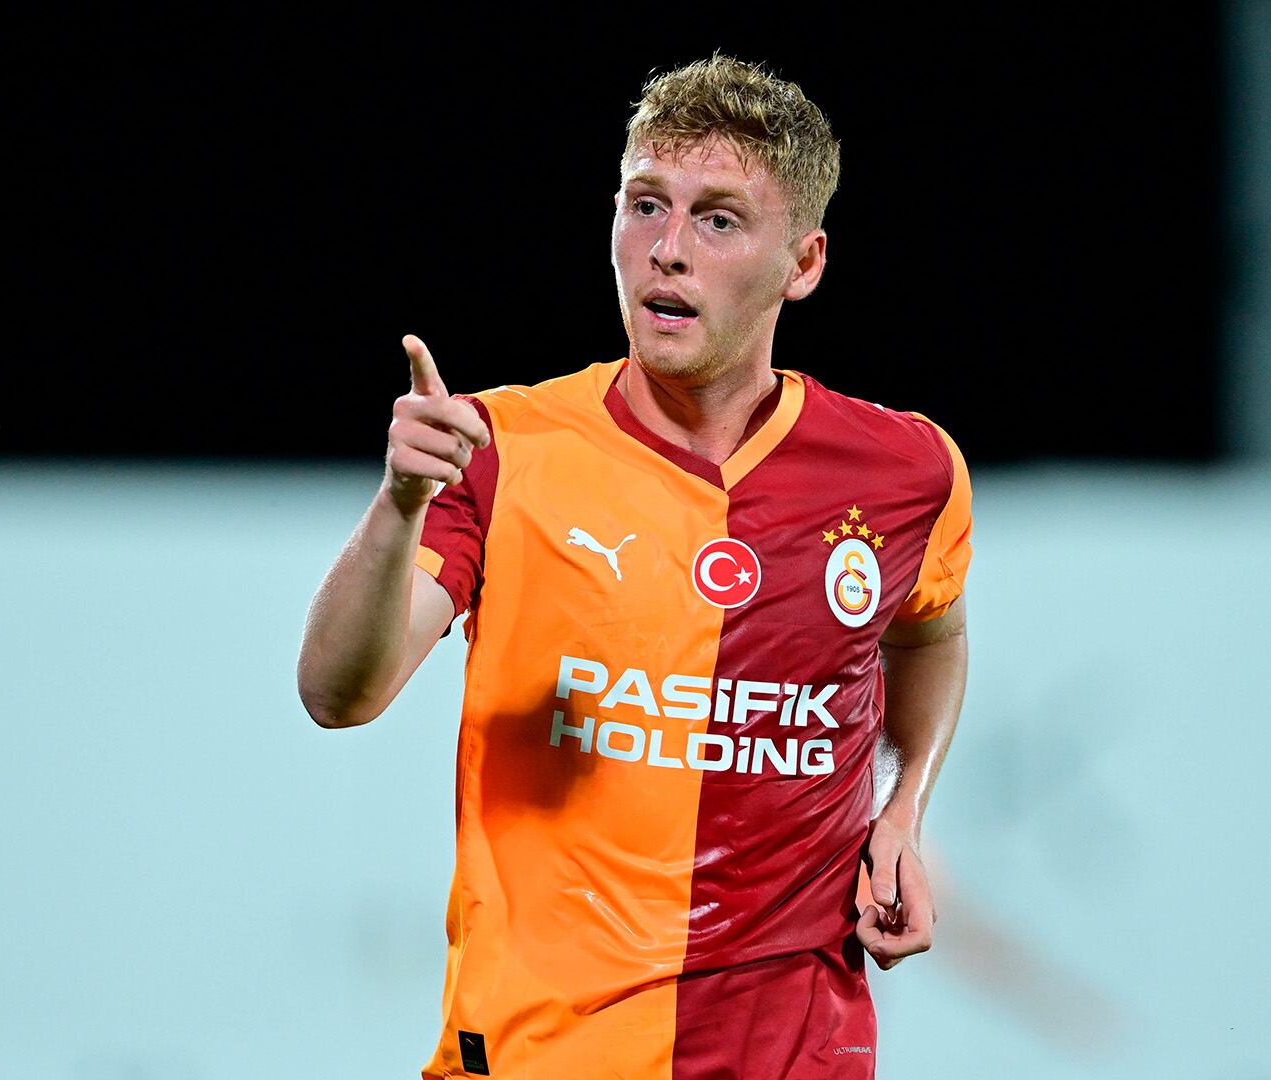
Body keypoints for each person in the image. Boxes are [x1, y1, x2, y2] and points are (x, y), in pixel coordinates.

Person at [296, 54, 972, 1079]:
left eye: (718, 220)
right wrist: (399, 505)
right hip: (537, 1053)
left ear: (803, 263)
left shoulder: (906, 473)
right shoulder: (505, 449)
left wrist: (901, 806)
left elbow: (930, 633)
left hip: (797, 1054)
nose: (667, 249)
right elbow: (337, 694)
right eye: (645, 205)